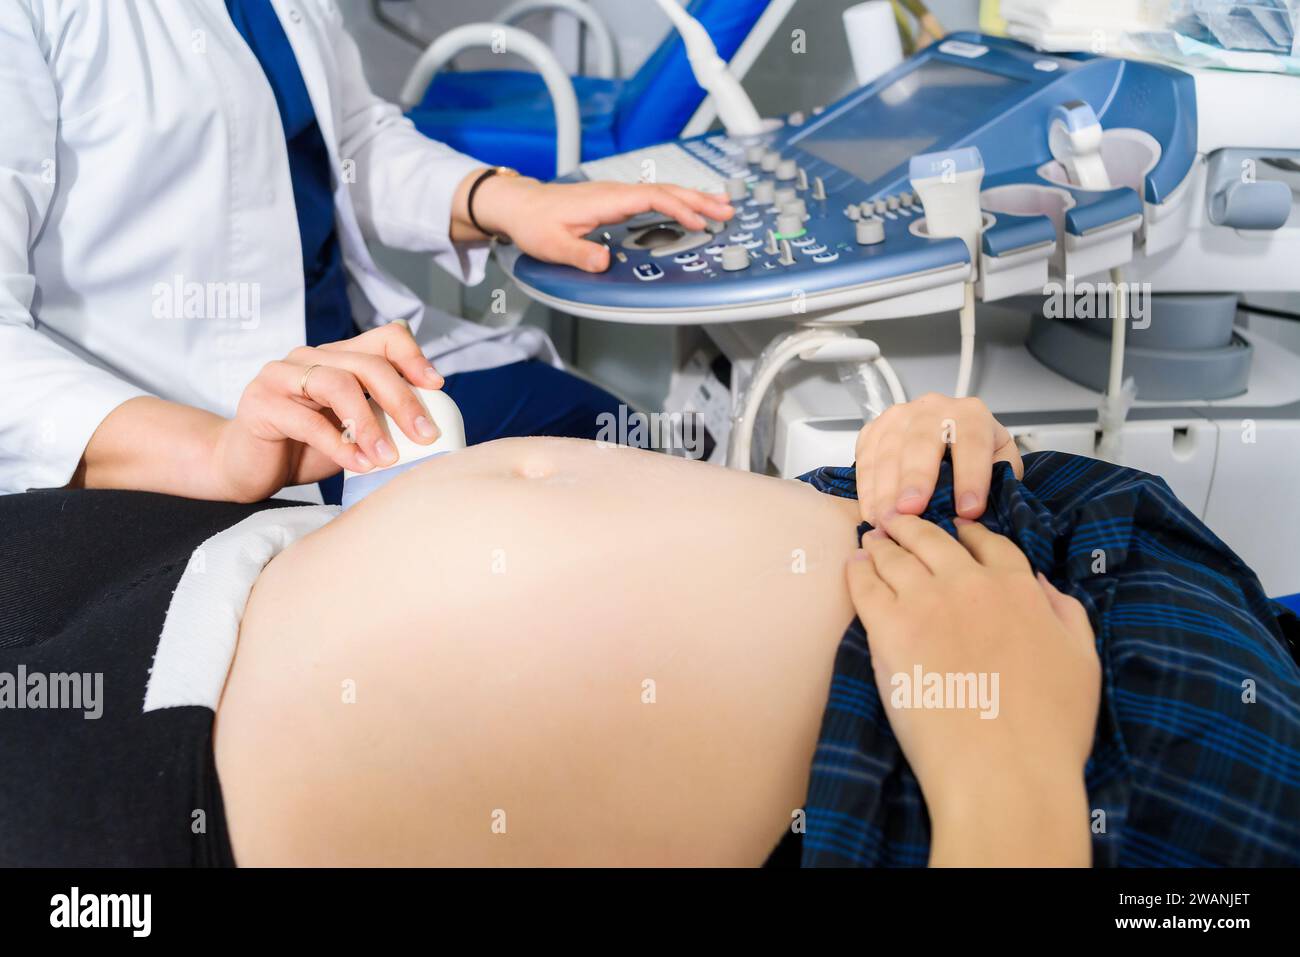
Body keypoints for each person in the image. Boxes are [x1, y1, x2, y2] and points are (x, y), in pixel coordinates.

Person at [0, 0, 732, 503]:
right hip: (203, 440)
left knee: (654, 458)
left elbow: (348, 135)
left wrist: (503, 200)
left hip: (373, 373)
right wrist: (219, 452)